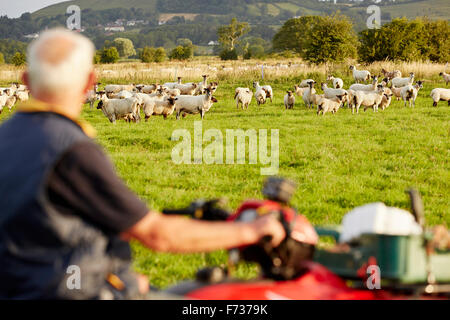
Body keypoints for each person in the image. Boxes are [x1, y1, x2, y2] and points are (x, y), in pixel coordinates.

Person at [0, 29, 285, 300]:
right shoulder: (71, 149)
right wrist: (250, 230)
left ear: (25, 80)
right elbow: (155, 234)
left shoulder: (6, 136)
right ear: (90, 82)